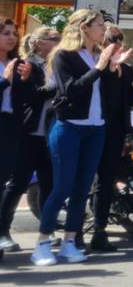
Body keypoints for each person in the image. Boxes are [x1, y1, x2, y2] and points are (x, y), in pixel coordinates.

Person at [31, 10, 116, 266]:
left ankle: (70, 242)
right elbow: (71, 90)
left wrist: (112, 68)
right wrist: (100, 69)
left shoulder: (97, 55)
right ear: (84, 27)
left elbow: (104, 94)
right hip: (68, 127)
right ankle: (42, 244)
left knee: (82, 190)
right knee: (62, 188)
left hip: (96, 129)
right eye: (100, 25)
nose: (104, 29)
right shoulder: (63, 56)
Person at [88, 23, 133, 251]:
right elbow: (98, 92)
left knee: (106, 180)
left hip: (117, 131)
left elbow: (129, 100)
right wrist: (111, 69)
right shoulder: (98, 66)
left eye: (120, 40)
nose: (119, 44)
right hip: (96, 128)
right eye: (114, 40)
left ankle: (99, 230)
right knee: (92, 180)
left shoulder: (127, 68)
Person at [0, 27, 58, 254]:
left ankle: (47, 228)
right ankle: (3, 230)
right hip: (27, 132)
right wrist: (53, 87)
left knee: (48, 182)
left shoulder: (55, 64)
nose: (58, 42)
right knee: (17, 184)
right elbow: (30, 97)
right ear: (39, 43)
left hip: (49, 132)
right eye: (54, 39)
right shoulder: (27, 65)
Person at [0, 18, 35, 260]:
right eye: (5, 33)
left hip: (11, 127)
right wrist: (6, 80)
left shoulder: (15, 62)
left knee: (3, 181)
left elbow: (23, 101)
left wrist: (24, 81)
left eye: (14, 33)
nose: (11, 37)